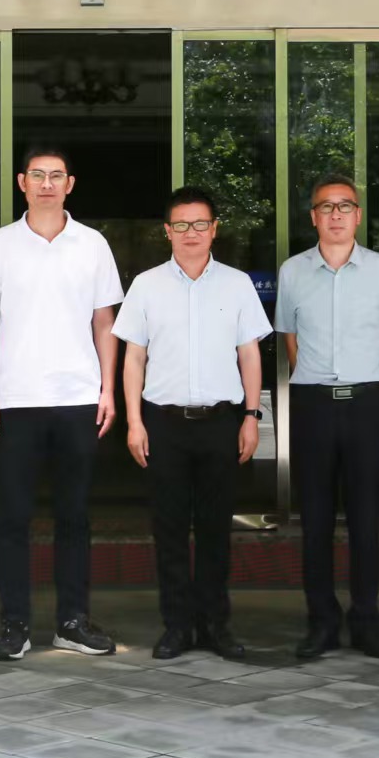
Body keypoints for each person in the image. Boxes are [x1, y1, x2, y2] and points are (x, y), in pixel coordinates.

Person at [0, 144, 124, 662]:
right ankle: (14, 624)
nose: (46, 184)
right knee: (13, 517)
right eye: (37, 175)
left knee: (74, 516)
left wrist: (107, 388)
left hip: (79, 398)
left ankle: (72, 622)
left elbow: (105, 322)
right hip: (14, 401)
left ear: (70, 184)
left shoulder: (93, 244)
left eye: (56, 176)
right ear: (21, 182)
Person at [116, 186, 272, 661]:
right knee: (168, 530)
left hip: (221, 423)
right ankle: (177, 627)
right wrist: (134, 422)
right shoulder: (146, 286)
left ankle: (216, 626)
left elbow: (250, 354)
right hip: (163, 425)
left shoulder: (237, 284)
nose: (191, 233)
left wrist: (251, 417)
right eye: (181, 225)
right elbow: (133, 358)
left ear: (214, 229)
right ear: (167, 231)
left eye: (200, 224)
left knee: (215, 530)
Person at [276, 174, 379, 660]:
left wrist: (377, 395)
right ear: (313, 217)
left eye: (345, 206)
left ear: (358, 215)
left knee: (365, 519)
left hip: (365, 404)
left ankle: (367, 620)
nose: (336, 214)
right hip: (312, 403)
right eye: (326, 207)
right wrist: (317, 382)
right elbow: (291, 340)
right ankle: (321, 622)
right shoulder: (293, 271)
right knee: (314, 520)